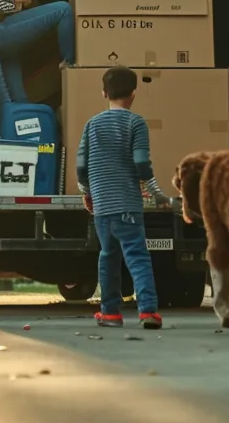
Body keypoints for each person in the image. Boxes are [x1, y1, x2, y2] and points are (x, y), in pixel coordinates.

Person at [75, 67, 172, 329]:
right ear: (134, 94)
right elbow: (141, 162)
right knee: (137, 256)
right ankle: (148, 312)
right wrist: (158, 194)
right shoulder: (136, 123)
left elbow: (81, 165)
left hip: (103, 206)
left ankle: (110, 314)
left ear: (104, 93)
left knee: (108, 256)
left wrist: (87, 193)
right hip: (127, 204)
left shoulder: (92, 124)